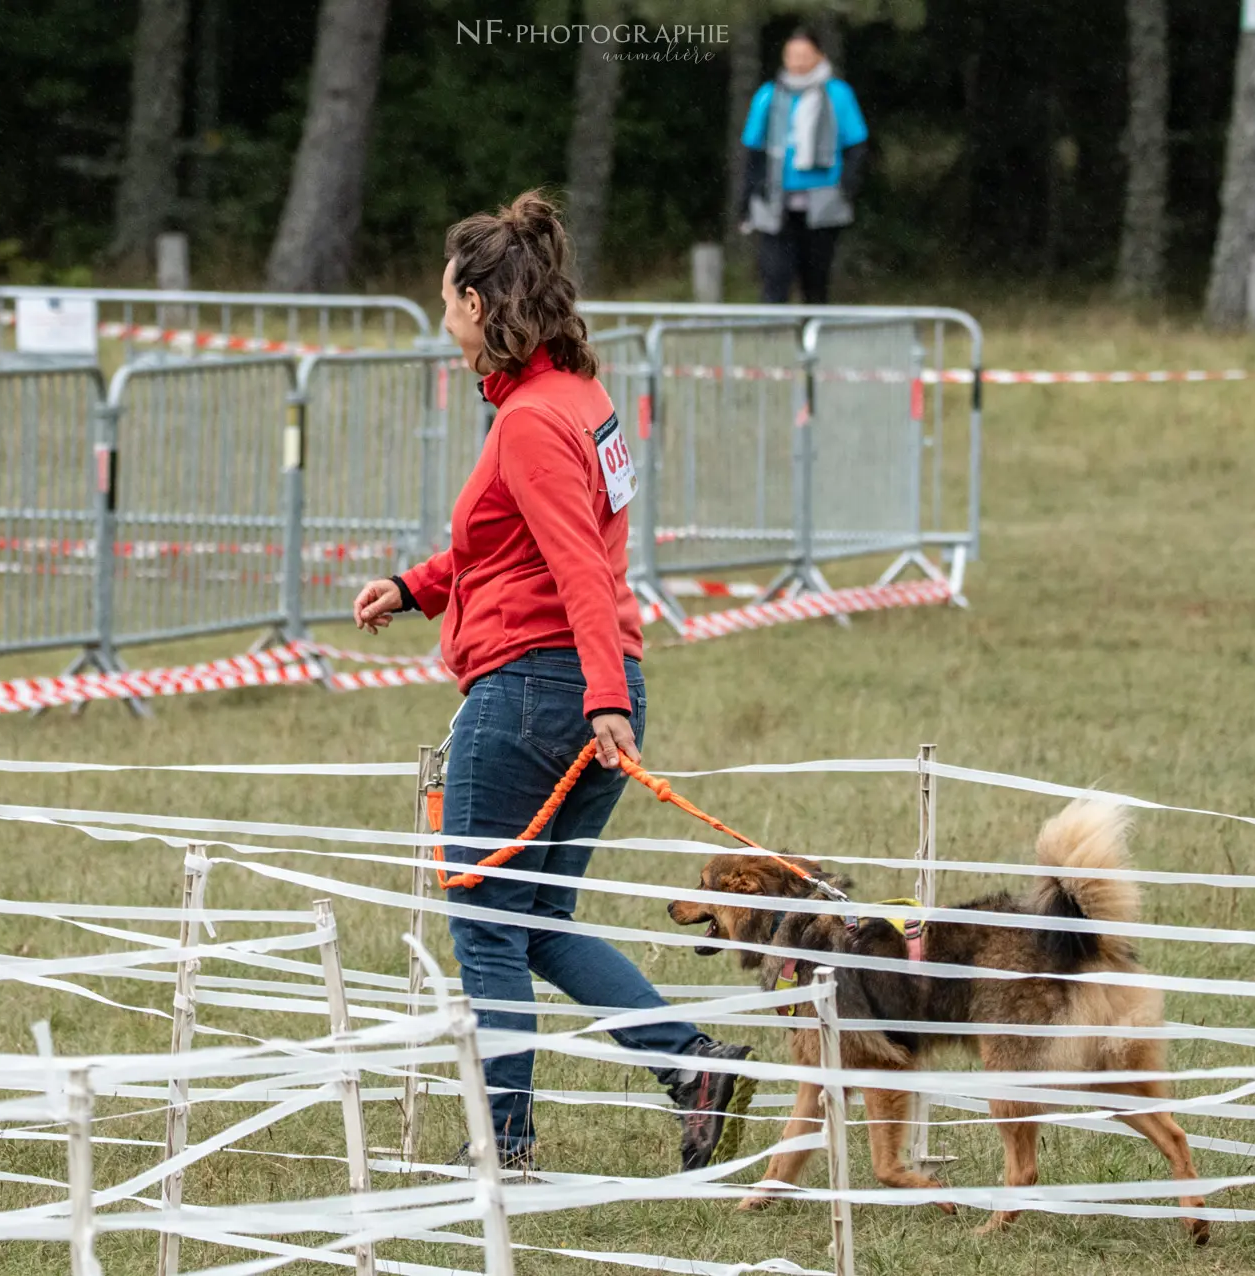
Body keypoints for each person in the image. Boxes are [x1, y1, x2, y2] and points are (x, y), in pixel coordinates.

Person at [351, 191, 754, 1176]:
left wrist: (599, 699)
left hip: (544, 693)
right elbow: (515, 549)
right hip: (588, 683)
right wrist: (416, 586)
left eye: (447, 299)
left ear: (483, 306)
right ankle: (690, 1067)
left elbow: (576, 562)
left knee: (485, 923)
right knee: (532, 921)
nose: (441, 316)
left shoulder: (531, 422)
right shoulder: (578, 400)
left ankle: (501, 1144)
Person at [741, 27, 869, 304]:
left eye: (804, 55)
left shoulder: (838, 94)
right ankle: (773, 340)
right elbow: (753, 148)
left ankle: (811, 341)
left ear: (819, 57)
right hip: (775, 198)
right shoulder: (769, 94)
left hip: (823, 199)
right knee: (774, 277)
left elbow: (856, 145)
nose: (797, 62)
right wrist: (748, 194)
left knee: (815, 279)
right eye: (792, 55)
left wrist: (848, 186)